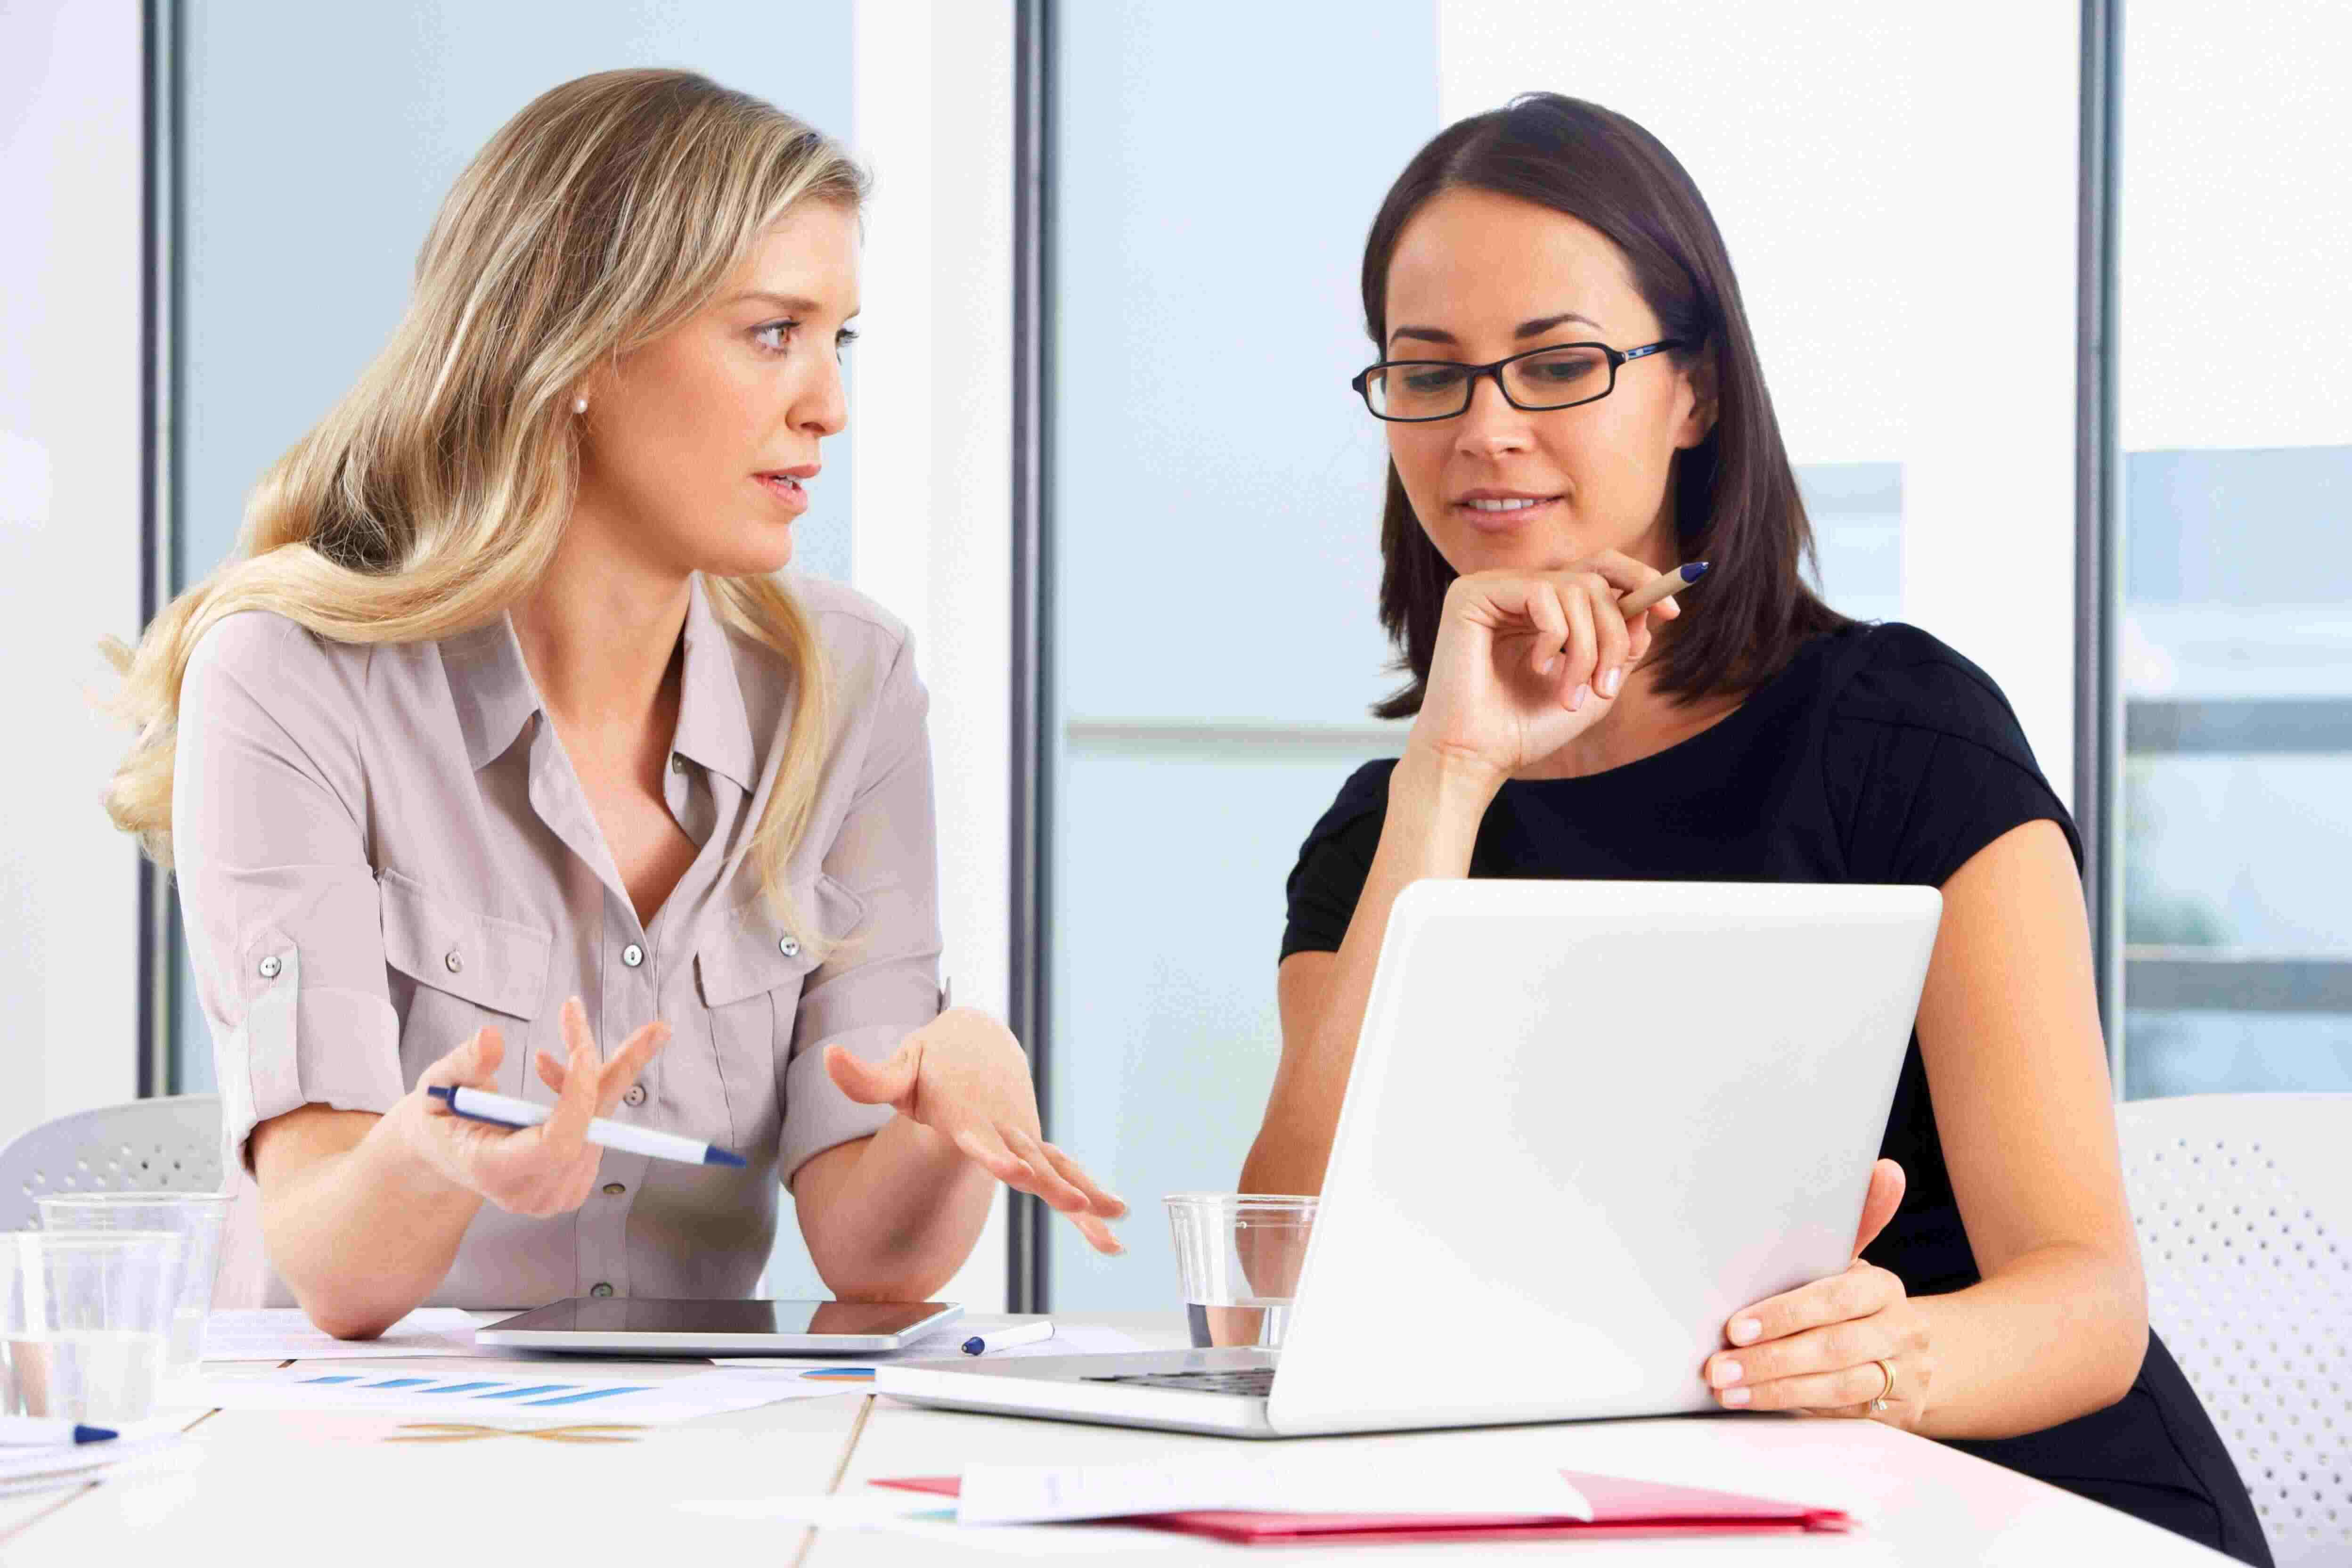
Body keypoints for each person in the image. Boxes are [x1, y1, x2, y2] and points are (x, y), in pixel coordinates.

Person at [1241, 94, 2267, 1565]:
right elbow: (1289, 1270)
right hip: (1647, 1522)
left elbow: (2085, 1301)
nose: (1486, 430)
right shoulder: (1388, 831)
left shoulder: (1903, 736)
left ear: (1696, 393)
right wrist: (1452, 773)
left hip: (2014, 1501)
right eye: (1431, 376)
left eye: (1558, 364)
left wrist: (1880, 1362)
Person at [103, 69, 1122, 1337]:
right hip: (359, 1464)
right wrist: (436, 1161)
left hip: (703, 1474)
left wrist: (956, 1105)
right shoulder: (289, 677)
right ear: (578, 348)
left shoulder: (852, 686)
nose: (829, 406)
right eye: (770, 332)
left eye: (835, 338)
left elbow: (876, 1259)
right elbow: (333, 1264)